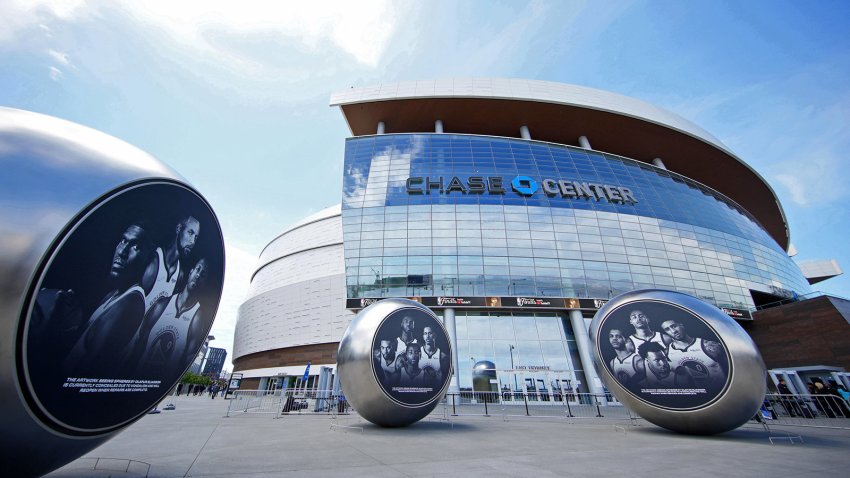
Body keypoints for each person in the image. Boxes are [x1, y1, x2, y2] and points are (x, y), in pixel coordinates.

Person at [64, 223, 152, 375]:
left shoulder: (129, 304)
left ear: (148, 258)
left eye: (135, 246)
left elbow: (86, 373)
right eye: (123, 241)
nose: (122, 252)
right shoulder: (113, 295)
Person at [133, 258, 209, 379]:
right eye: (198, 269)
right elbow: (139, 341)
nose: (199, 275)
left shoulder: (197, 318)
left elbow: (188, 358)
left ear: (205, 283)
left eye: (204, 274)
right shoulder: (161, 305)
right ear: (191, 272)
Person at [141, 215, 200, 313]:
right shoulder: (153, 261)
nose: (193, 241)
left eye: (196, 237)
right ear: (178, 229)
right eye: (190, 233)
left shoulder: (179, 275)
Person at [661, 319, 726, 391]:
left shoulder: (709, 346)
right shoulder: (666, 353)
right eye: (667, 329)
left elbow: (730, 370)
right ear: (665, 333)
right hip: (694, 397)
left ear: (681, 325)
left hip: (719, 393)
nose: (673, 331)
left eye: (674, 326)